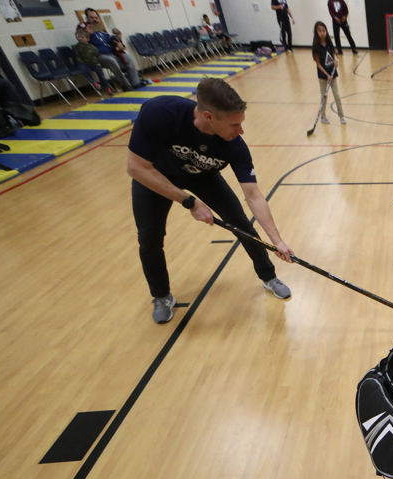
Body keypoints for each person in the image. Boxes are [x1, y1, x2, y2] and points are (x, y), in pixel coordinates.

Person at [126, 78, 294, 324]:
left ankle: (269, 276)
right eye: (234, 124)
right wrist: (189, 202)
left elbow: (253, 196)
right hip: (156, 176)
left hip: (202, 176)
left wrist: (277, 241)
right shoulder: (160, 113)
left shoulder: (235, 146)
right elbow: (135, 167)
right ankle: (161, 295)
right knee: (149, 237)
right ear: (208, 116)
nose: (241, 131)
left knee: (241, 224)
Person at [84, 8, 142, 90]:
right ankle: (125, 85)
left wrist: (119, 45)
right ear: (87, 18)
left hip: (111, 53)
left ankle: (136, 83)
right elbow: (82, 40)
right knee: (111, 60)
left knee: (127, 56)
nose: (94, 20)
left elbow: (110, 42)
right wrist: (88, 34)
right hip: (98, 56)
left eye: (96, 17)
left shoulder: (101, 29)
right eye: (91, 18)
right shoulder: (84, 29)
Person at [311, 22, 344, 124]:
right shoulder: (316, 47)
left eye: (323, 30)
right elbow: (318, 64)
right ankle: (323, 117)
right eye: (319, 31)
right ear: (316, 32)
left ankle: (341, 116)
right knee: (324, 96)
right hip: (323, 75)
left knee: (337, 96)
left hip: (332, 73)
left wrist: (335, 62)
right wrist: (326, 75)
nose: (322, 33)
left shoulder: (329, 43)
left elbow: (332, 57)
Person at [74, 28, 113, 95]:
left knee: (101, 75)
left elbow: (97, 55)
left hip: (94, 62)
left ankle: (108, 88)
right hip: (85, 63)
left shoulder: (92, 47)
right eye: (79, 37)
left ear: (87, 39)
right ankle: (93, 82)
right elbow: (78, 56)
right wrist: (81, 62)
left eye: (82, 37)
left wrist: (98, 62)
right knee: (84, 69)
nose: (80, 39)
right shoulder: (78, 47)